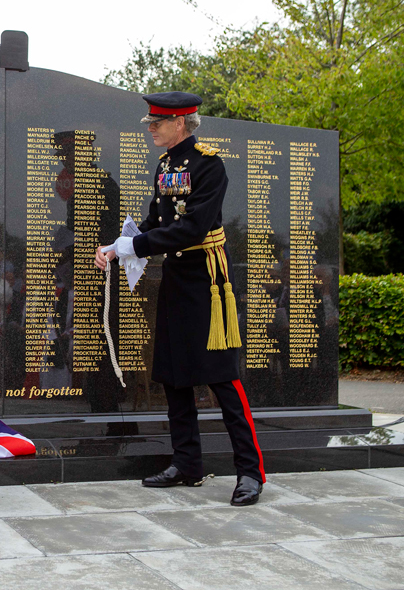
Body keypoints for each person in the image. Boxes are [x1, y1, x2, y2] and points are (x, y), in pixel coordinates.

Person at [94, 91, 265, 506]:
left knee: (223, 378)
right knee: (173, 374)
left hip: (206, 281)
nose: (151, 128)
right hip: (174, 278)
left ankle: (250, 472)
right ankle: (187, 463)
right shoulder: (166, 165)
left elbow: (192, 229)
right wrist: (120, 245)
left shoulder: (210, 164)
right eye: (151, 122)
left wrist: (132, 248)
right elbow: (156, 220)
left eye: (158, 122)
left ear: (182, 123)